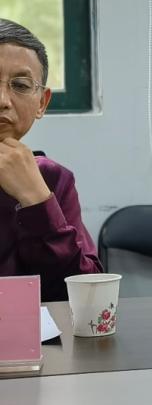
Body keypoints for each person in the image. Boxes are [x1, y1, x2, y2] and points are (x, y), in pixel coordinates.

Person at [0, 19, 101, 300]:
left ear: (42, 103)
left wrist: (36, 201)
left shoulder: (50, 178)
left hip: (31, 329)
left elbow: (87, 295)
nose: (3, 100)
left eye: (20, 85)